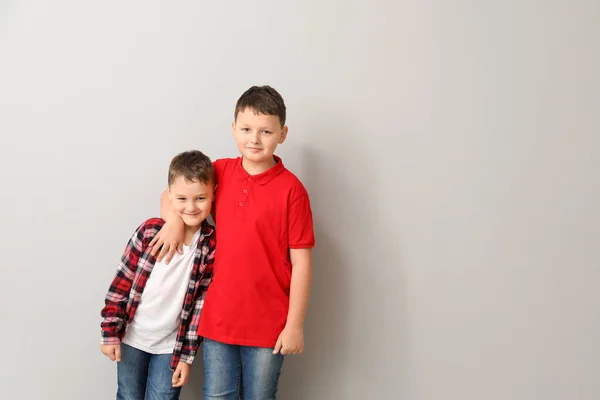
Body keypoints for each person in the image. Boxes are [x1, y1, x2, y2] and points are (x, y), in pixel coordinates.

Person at [151, 85, 315, 399]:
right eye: (246, 129)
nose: (254, 139)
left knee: (259, 396)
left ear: (282, 134)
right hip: (218, 319)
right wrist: (172, 222)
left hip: (269, 323)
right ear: (233, 129)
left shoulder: (292, 190)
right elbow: (170, 195)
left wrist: (294, 325)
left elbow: (302, 264)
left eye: (266, 131)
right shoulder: (219, 172)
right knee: (217, 395)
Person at [100, 150, 217, 400]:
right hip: (133, 337)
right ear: (170, 196)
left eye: (200, 198)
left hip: (170, 347)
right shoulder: (149, 231)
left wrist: (186, 357)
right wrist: (110, 331)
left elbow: (200, 307)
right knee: (128, 396)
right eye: (182, 198)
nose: (191, 207)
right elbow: (121, 283)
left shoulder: (209, 245)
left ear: (213, 194)